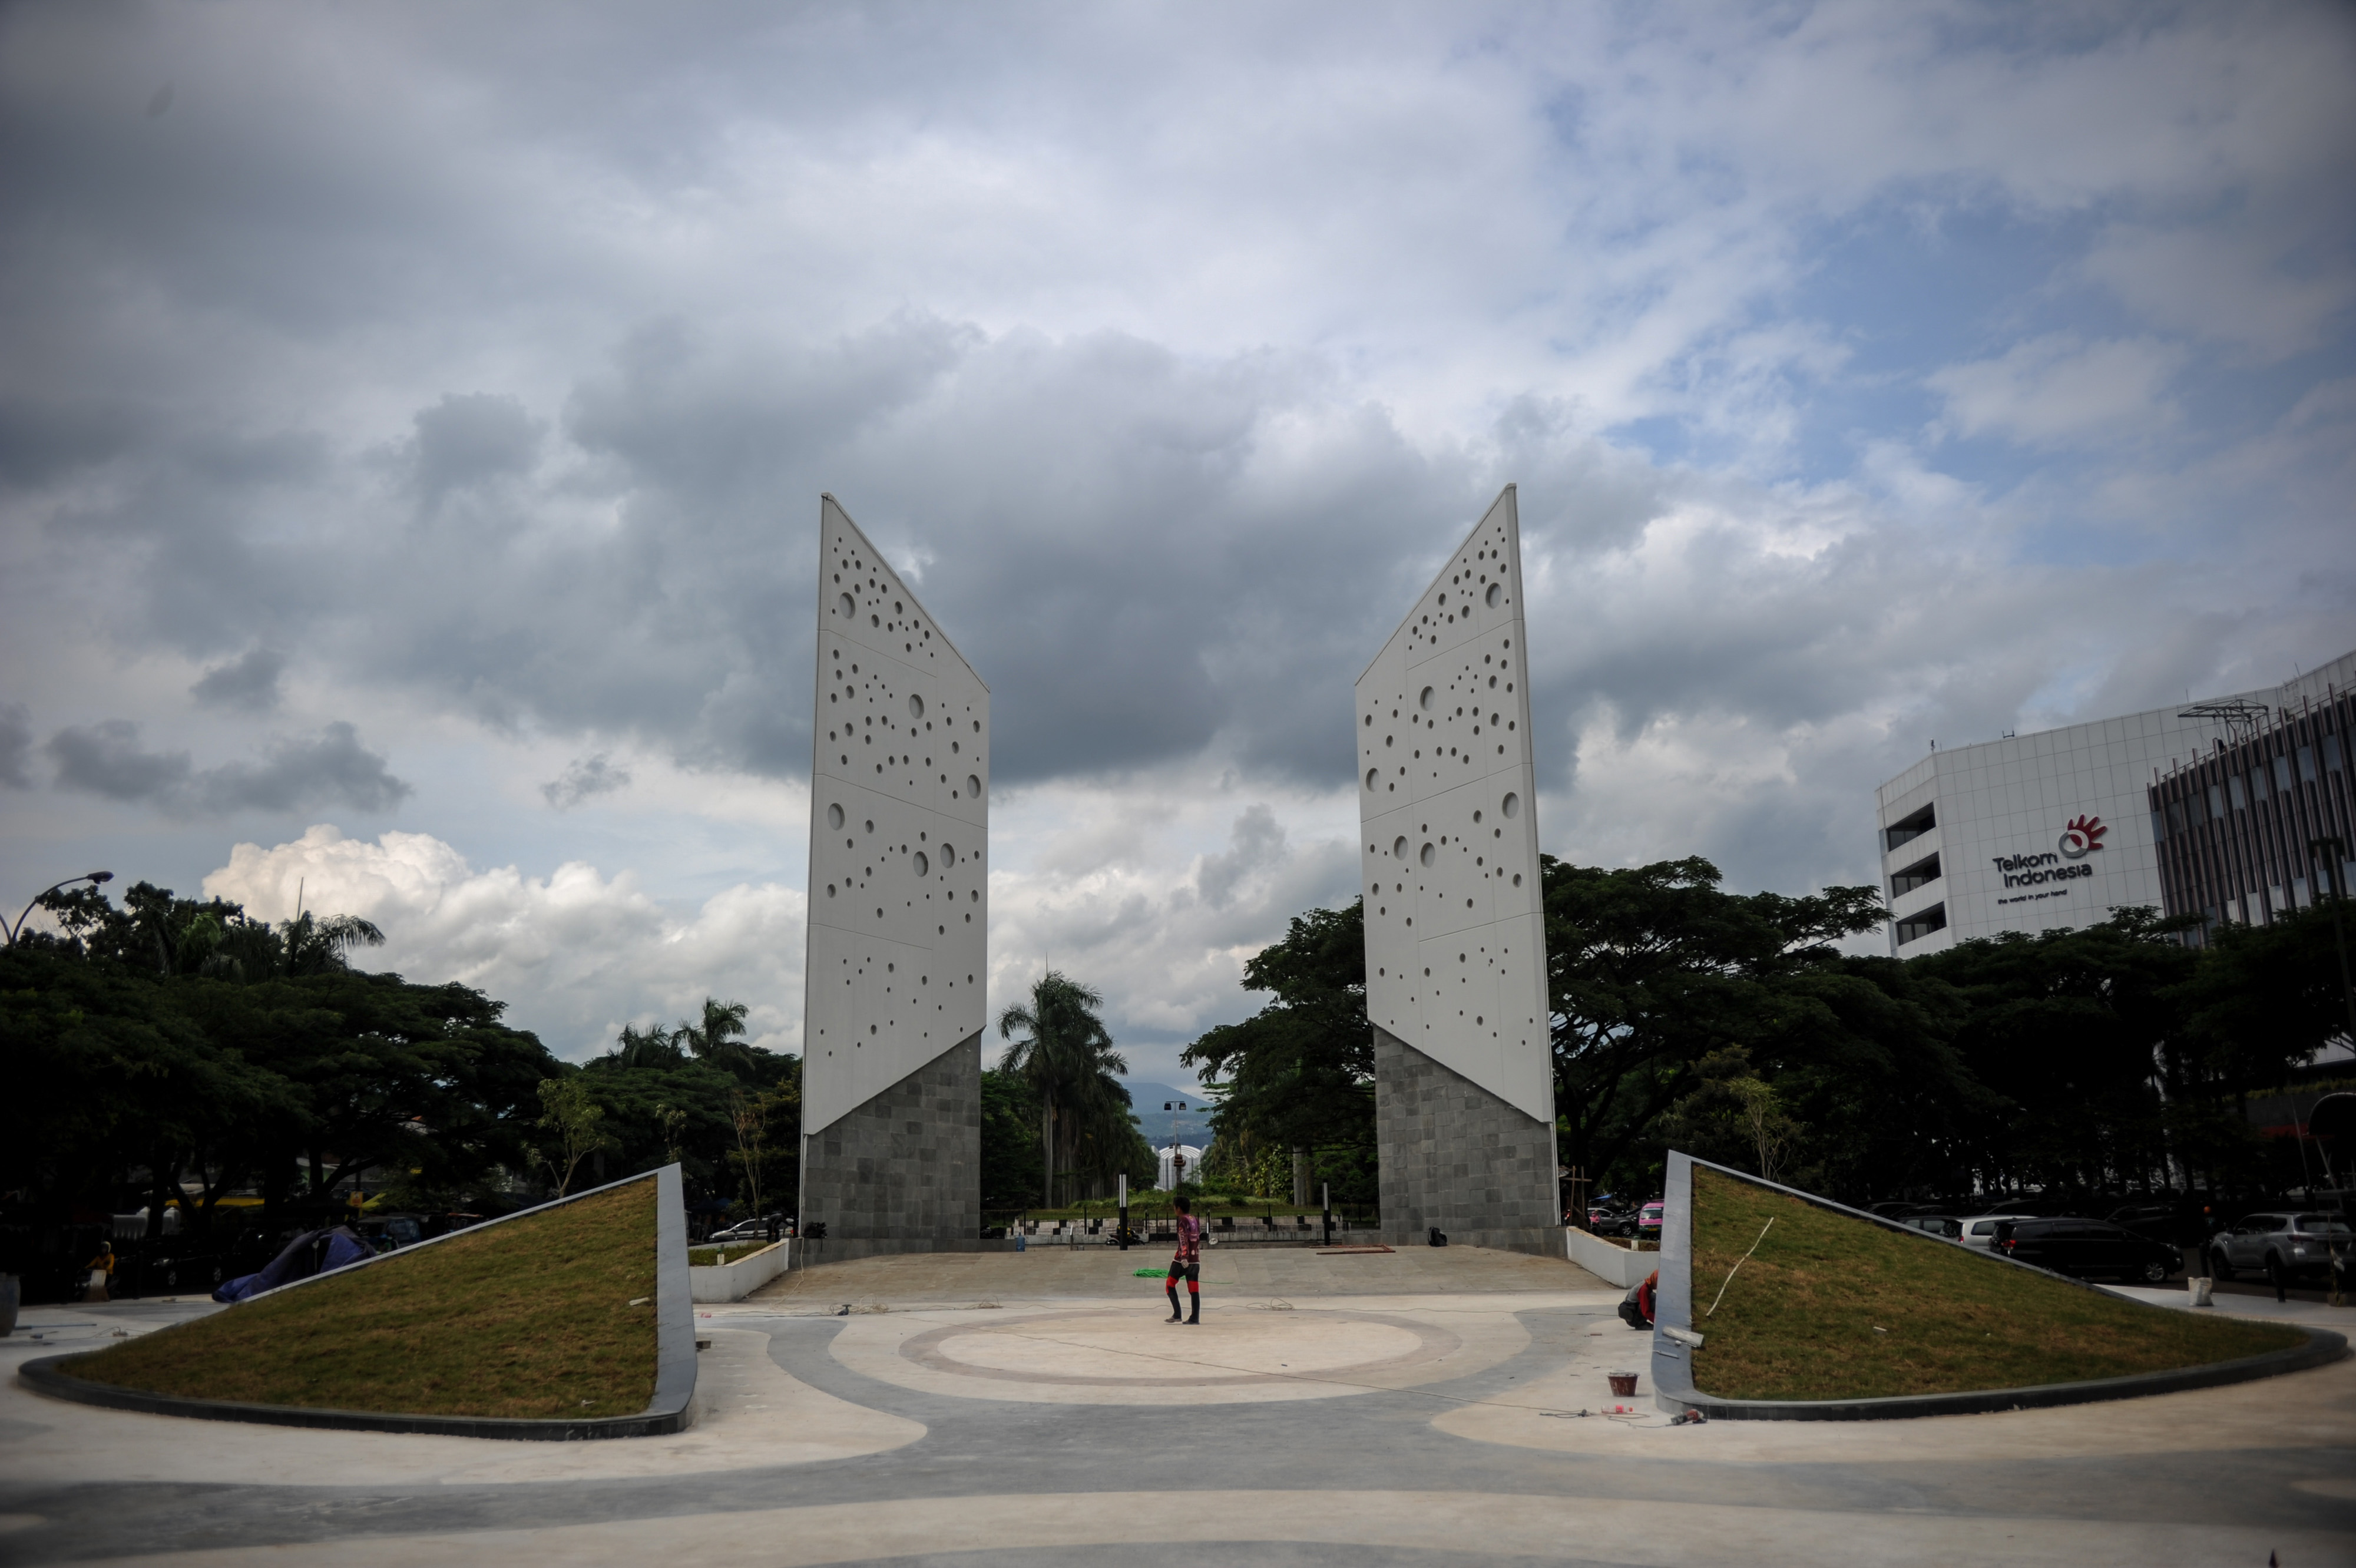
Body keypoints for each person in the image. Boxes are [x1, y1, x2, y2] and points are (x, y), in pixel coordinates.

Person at [1164, 1193, 1203, 1325]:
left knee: (1170, 1284)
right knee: (1194, 1289)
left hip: (1183, 1259)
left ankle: (1177, 1314)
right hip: (1195, 1260)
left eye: (1175, 1207)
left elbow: (1183, 1239)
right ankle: (1195, 1318)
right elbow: (1196, 1238)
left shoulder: (1182, 1220)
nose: (1174, 1210)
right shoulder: (1195, 1219)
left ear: (1179, 1208)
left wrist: (1184, 1257)